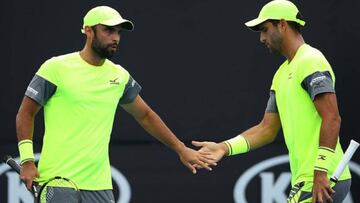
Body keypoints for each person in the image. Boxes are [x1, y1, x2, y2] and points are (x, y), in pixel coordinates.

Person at [16, 5, 215, 202]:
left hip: (100, 186)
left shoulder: (119, 76)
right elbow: (25, 114)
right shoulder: (55, 68)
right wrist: (26, 160)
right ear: (88, 31)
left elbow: (146, 116)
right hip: (59, 182)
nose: (116, 38)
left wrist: (181, 149)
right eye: (108, 30)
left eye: (119, 32)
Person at [192, 0, 351, 202]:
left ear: (282, 24)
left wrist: (320, 172)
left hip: (323, 178)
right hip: (308, 179)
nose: (262, 38)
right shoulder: (281, 74)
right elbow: (266, 130)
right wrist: (224, 147)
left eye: (265, 30)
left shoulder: (311, 61)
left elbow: (332, 118)